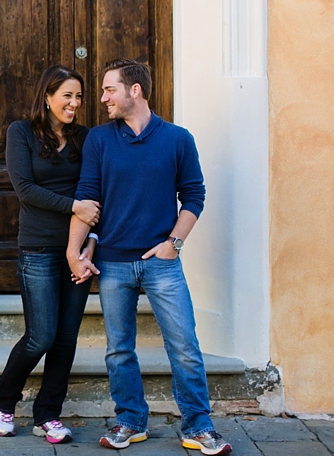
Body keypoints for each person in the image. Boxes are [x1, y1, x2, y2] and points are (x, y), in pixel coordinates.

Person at [67, 59, 232, 455]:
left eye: (109, 89)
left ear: (134, 90)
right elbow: (89, 197)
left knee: (184, 344)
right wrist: (85, 245)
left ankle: (198, 426)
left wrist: (173, 244)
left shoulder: (177, 139)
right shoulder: (100, 140)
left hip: (162, 262)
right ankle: (129, 420)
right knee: (119, 349)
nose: (102, 97)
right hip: (113, 263)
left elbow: (194, 196)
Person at [0, 65, 102, 445]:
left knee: (67, 337)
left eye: (79, 97)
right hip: (37, 248)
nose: (74, 103)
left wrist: (90, 243)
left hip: (77, 251)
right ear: (48, 97)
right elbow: (24, 189)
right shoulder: (20, 132)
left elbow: (97, 193)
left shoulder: (85, 138)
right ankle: (4, 402)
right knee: (41, 336)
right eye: (67, 95)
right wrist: (74, 206)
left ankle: (48, 415)